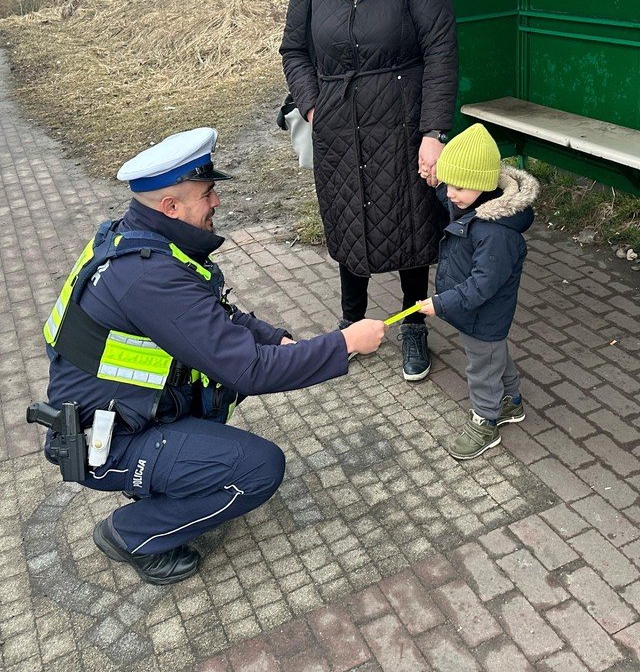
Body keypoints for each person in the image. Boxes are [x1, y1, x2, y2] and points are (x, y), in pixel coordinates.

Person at [35, 127, 387, 585]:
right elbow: (250, 370)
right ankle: (131, 533)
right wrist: (344, 344)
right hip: (106, 441)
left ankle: (167, 477)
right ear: (171, 207)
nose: (216, 201)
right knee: (258, 468)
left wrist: (275, 339)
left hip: (128, 413)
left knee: (218, 391)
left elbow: (214, 314)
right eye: (207, 194)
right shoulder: (149, 278)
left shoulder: (142, 241)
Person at [280, 0, 458, 383]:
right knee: (348, 218)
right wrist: (313, 108)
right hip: (337, 127)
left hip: (402, 123)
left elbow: (441, 50)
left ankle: (413, 324)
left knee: (410, 223)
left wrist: (432, 131)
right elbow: (294, 50)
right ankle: (351, 322)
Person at [418, 124, 539, 460]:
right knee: (492, 356)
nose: (451, 194)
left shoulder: (497, 234)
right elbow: (451, 195)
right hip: (475, 313)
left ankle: (485, 421)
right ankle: (511, 401)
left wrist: (441, 304)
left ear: (483, 185)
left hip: (483, 313)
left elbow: (482, 285)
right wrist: (438, 182)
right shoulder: (472, 203)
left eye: (458, 187)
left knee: (482, 368)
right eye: (449, 183)